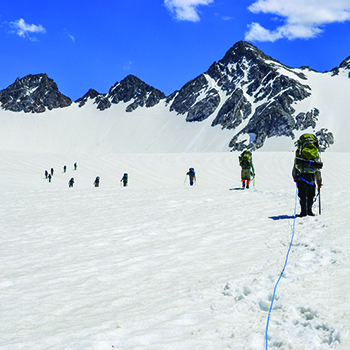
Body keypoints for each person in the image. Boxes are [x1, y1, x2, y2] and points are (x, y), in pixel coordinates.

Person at [292, 133, 323, 217]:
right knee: (311, 194)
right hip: (312, 176)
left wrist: (295, 177)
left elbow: (295, 165)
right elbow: (317, 168)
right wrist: (319, 182)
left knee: (302, 195)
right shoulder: (316, 153)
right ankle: (309, 211)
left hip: (301, 175)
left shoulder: (299, 152)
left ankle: (303, 212)